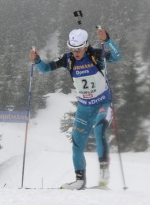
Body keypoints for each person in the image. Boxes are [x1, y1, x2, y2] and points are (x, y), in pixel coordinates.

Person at [29, 28, 122, 190]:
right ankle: (79, 180)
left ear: (86, 46)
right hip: (84, 108)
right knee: (77, 144)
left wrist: (107, 40)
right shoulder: (68, 59)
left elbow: (117, 56)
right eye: (72, 49)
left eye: (78, 49)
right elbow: (45, 69)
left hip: (103, 104)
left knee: (99, 131)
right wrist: (37, 60)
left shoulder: (95, 55)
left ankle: (104, 177)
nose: (75, 52)